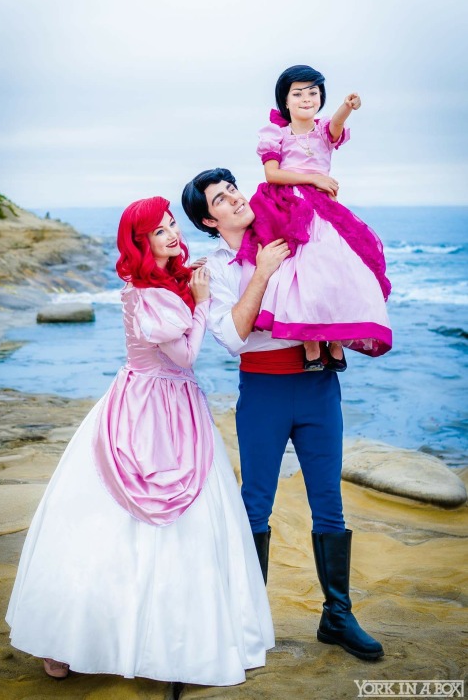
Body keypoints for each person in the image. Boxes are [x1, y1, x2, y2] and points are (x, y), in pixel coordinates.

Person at [6, 196, 274, 686]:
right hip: (151, 408)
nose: (172, 234)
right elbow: (188, 356)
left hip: (165, 403)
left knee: (184, 523)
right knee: (123, 522)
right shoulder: (151, 294)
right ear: (141, 242)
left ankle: (186, 636)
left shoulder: (163, 282)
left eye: (173, 225)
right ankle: (74, 639)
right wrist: (203, 301)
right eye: (159, 231)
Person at [182, 169, 384, 661]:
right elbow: (231, 339)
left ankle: (337, 615)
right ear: (210, 220)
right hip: (263, 390)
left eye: (234, 190)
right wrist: (264, 272)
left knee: (329, 504)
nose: (235, 199)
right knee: (255, 505)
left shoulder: (287, 231)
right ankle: (247, 619)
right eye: (221, 200)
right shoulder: (216, 270)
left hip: (318, 385)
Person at [235, 64, 392, 372]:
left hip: (324, 208)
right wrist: (314, 180)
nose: (306, 98)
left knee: (337, 267)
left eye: (313, 92)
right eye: (298, 93)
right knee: (301, 269)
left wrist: (346, 107)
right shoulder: (275, 133)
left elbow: (335, 125)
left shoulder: (322, 130)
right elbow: (271, 173)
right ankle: (309, 342)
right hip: (287, 205)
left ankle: (335, 341)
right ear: (286, 100)